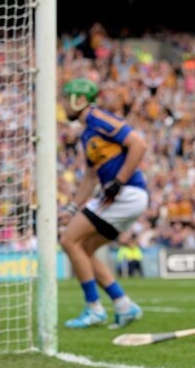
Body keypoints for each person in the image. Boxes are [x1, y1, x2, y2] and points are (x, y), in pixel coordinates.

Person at [59, 78, 148, 328]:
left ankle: (94, 308)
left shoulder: (98, 117)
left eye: (66, 99)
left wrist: (119, 181)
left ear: (79, 98)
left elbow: (138, 144)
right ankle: (123, 305)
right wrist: (71, 209)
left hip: (126, 193)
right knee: (83, 250)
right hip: (125, 196)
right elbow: (89, 178)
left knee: (68, 240)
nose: (63, 104)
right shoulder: (87, 134)